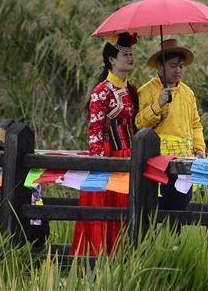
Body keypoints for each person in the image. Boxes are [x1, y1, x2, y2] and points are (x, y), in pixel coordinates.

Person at [71, 32, 138, 256]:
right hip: (110, 155)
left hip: (130, 154)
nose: (130, 58)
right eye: (125, 54)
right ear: (112, 59)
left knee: (128, 209)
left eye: (131, 53)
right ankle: (99, 260)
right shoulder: (102, 91)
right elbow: (95, 132)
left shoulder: (132, 90)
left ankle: (125, 257)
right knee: (106, 207)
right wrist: (101, 164)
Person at [135, 38, 205, 211]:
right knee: (155, 207)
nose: (178, 70)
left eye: (181, 66)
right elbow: (139, 124)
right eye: (173, 66)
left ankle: (175, 238)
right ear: (160, 66)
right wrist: (157, 105)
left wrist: (199, 147)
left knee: (181, 203)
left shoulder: (188, 93)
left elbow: (196, 124)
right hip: (158, 161)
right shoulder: (147, 91)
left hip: (185, 158)